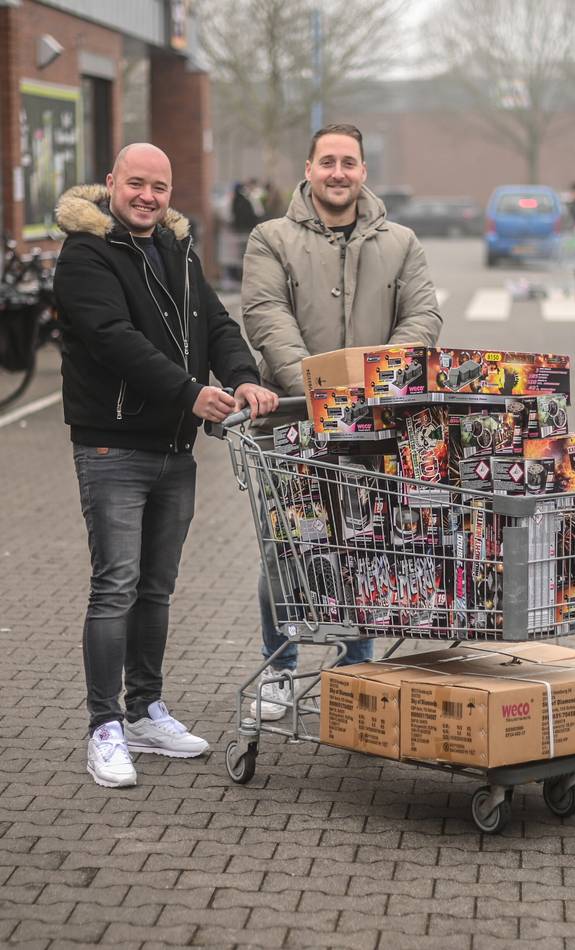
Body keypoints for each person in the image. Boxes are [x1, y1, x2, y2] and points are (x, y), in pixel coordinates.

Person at [54, 143, 278, 788]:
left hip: (174, 449)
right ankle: (105, 726)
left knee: (156, 588)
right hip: (112, 447)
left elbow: (214, 324)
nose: (147, 196)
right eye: (136, 184)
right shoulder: (86, 253)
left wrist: (242, 377)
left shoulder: (178, 250)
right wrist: (190, 392)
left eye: (159, 186)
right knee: (115, 586)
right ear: (111, 184)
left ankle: (146, 710)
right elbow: (113, 339)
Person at [241, 123, 442, 720]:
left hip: (378, 427)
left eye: (348, 162)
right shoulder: (270, 237)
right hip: (294, 422)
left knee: (367, 546)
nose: (337, 172)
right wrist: (320, 386)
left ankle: (356, 669)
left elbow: (423, 316)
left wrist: (379, 381)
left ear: (362, 173)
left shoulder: (401, 242)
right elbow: (264, 313)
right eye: (326, 161)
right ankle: (279, 669)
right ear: (308, 169)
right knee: (287, 549)